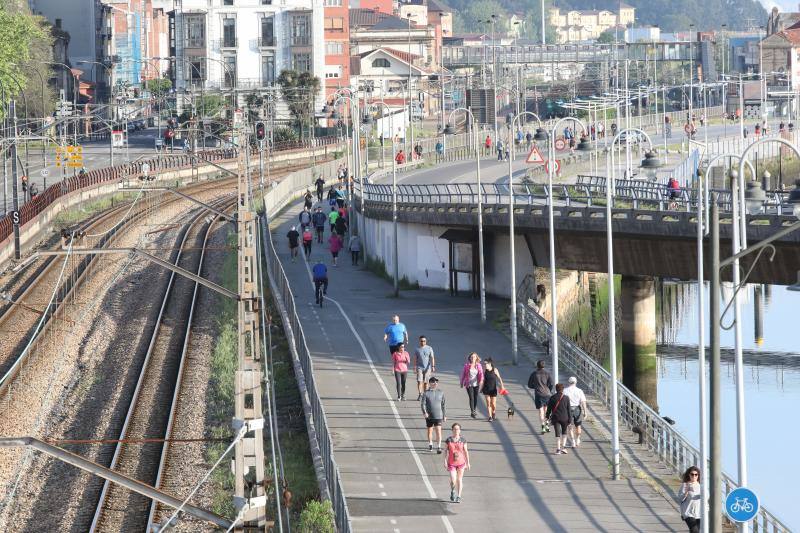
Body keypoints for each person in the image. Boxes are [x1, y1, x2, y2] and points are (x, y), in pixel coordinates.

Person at [444, 423, 470, 504]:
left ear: (460, 430)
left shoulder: (463, 440)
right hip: (451, 463)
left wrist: (468, 462)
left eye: (458, 429)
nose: (456, 431)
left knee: (459, 479)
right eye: (455, 429)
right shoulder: (449, 440)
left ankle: (459, 496)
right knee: (453, 480)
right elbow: (445, 450)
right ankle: (452, 490)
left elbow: (466, 451)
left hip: (461, 463)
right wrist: (445, 461)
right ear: (452, 430)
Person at [528, 360, 554, 434]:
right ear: (544, 365)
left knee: (541, 411)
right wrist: (548, 389)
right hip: (547, 394)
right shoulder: (547, 373)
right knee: (547, 411)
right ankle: (547, 426)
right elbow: (551, 384)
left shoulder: (534, 374)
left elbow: (529, 385)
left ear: (537, 365)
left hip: (538, 395)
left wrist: (536, 387)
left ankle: (543, 427)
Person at [421, 376, 446, 453]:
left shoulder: (441, 392)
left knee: (438, 430)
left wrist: (444, 415)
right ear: (430, 383)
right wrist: (425, 413)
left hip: (438, 415)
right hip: (429, 416)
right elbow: (423, 404)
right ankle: (430, 444)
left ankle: (439, 447)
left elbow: (443, 405)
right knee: (430, 430)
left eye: (436, 382)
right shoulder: (426, 393)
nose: (435, 383)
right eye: (433, 382)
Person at [545, 383, 571, 455]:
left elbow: (549, 409)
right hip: (565, 418)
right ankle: (564, 448)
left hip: (555, 418)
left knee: (557, 433)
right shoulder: (566, 398)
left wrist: (547, 417)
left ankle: (558, 449)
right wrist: (570, 420)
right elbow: (569, 410)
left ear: (556, 389)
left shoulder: (552, 397)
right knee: (564, 433)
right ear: (563, 389)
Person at [564, 376, 587, 448]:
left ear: (569, 382)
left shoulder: (565, 390)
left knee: (570, 425)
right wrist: (585, 411)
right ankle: (578, 439)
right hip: (577, 408)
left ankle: (573, 441)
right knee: (578, 425)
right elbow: (583, 401)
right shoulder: (579, 391)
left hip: (568, 409)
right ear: (576, 382)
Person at [460, 352, 484, 418]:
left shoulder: (478, 365)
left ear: (476, 358)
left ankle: (474, 410)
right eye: (472, 357)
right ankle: (472, 411)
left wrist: (481, 380)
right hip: (469, 384)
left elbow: (481, 373)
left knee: (475, 397)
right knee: (471, 397)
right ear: (470, 358)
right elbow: (463, 374)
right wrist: (461, 382)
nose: (473, 358)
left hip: (476, 383)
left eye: (474, 357)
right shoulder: (467, 365)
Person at [481, 357, 505, 422]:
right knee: (488, 403)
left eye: (486, 363)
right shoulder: (484, 370)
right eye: (484, 363)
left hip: (493, 389)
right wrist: (481, 388)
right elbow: (483, 380)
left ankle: (493, 412)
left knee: (493, 404)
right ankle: (490, 416)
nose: (484, 365)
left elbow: (499, 378)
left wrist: (502, 386)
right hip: (486, 389)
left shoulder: (495, 370)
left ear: (490, 363)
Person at [680, 466, 702, 533]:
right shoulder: (685, 485)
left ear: (698, 476)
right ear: (689, 475)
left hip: (699, 512)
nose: (694, 476)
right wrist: (685, 493)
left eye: (696, 474)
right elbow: (680, 498)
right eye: (692, 474)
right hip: (688, 513)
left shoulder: (701, 486)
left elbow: (707, 497)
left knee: (696, 531)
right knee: (694, 530)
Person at [414, 335, 435, 400]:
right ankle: (420, 394)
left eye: (424, 341)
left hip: (427, 367)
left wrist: (433, 366)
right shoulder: (417, 349)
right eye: (421, 341)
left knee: (426, 382)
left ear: (426, 341)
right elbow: (415, 358)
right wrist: (415, 367)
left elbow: (432, 357)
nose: (423, 342)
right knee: (419, 381)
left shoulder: (429, 348)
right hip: (419, 367)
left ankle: (425, 395)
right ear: (419, 341)